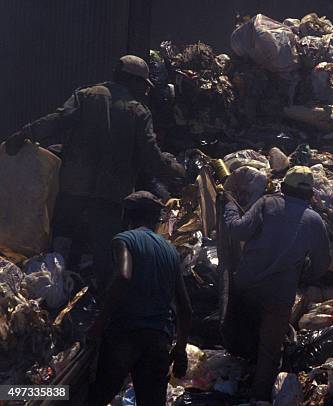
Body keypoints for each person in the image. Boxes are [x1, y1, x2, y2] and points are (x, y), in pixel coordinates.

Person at [4, 55, 185, 292]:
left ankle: (50, 296)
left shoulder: (88, 95)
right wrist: (177, 170)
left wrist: (25, 134)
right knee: (105, 254)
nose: (144, 90)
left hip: (73, 187)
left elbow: (57, 120)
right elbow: (150, 156)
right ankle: (101, 305)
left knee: (60, 244)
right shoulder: (138, 111)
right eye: (142, 84)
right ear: (133, 81)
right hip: (110, 195)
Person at [222, 166, 331, 404]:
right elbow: (323, 263)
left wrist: (230, 205)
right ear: (309, 194)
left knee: (238, 334)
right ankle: (258, 398)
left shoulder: (266, 203)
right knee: (269, 352)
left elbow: (238, 231)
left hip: (246, 286)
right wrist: (304, 277)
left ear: (283, 187)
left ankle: (229, 382)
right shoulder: (314, 220)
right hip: (279, 296)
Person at [87, 191, 192, 406]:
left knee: (98, 397)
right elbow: (185, 307)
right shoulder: (171, 250)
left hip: (125, 334)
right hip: (158, 339)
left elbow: (123, 277)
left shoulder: (124, 239)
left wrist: (99, 324)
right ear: (156, 219)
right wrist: (180, 349)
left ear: (128, 217)